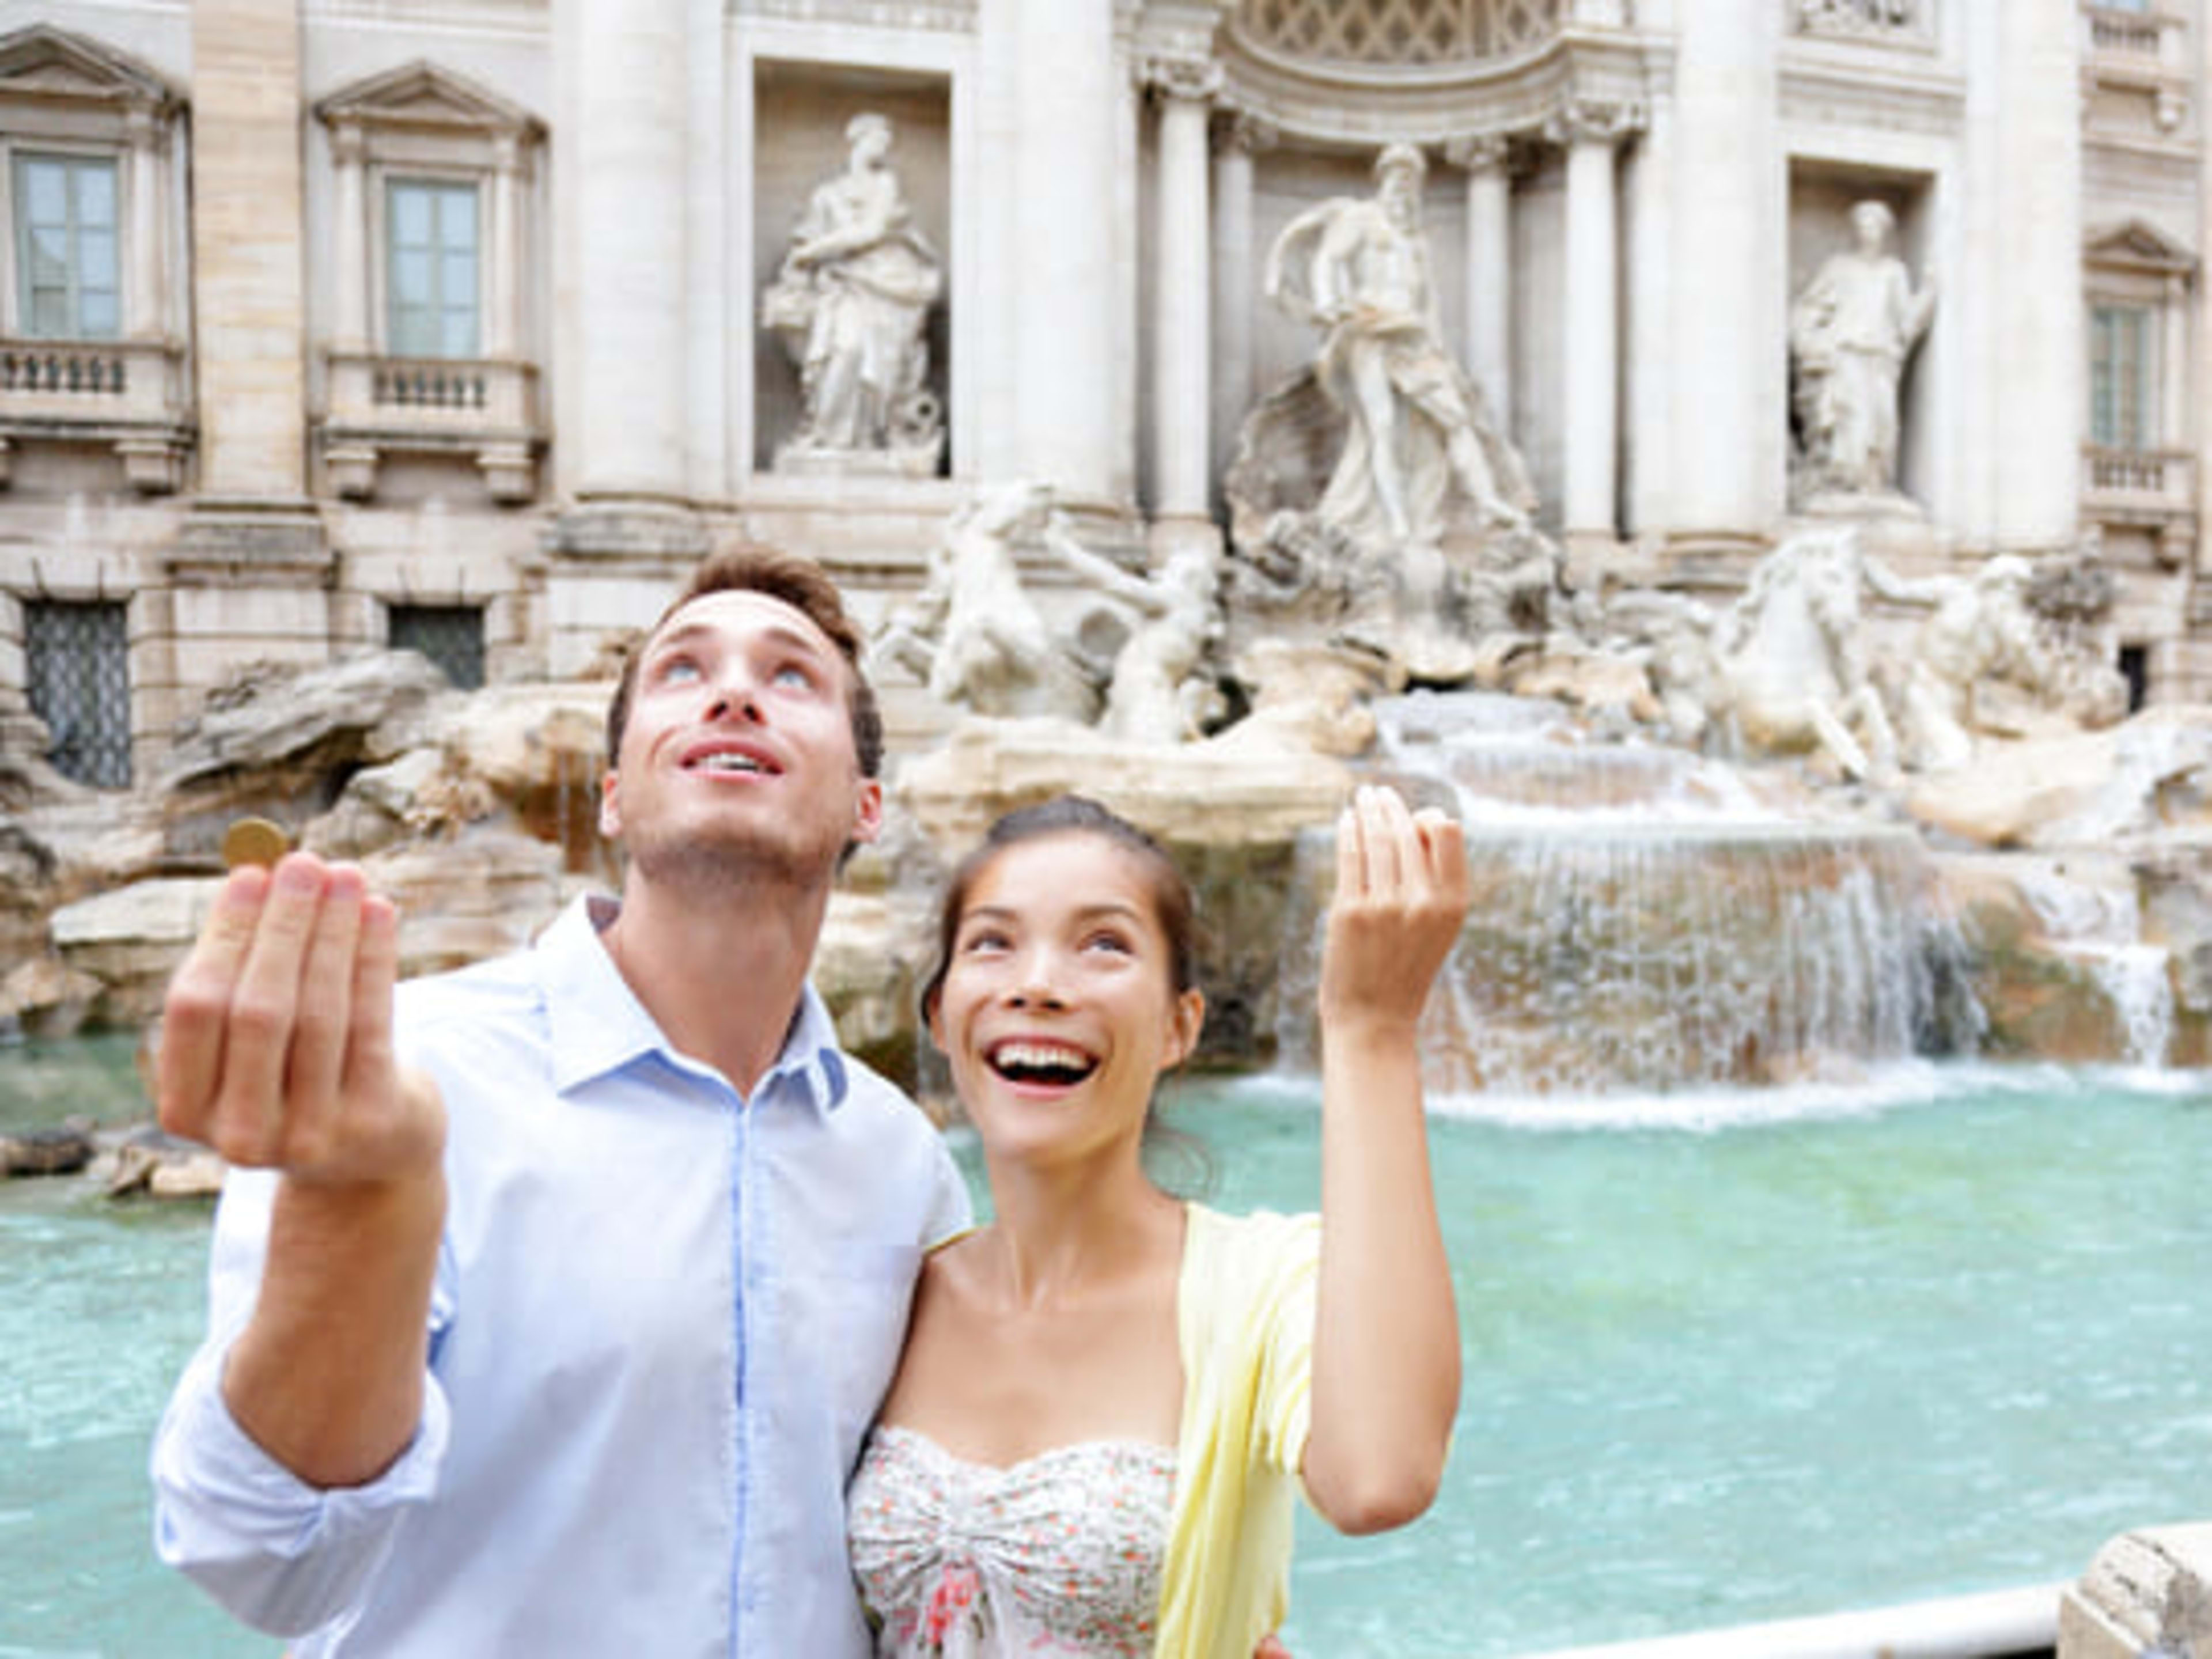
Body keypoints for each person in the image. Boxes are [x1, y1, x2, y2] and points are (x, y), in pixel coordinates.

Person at [148, 545, 971, 1656]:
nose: (732, 691)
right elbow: (267, 1563)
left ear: (867, 804)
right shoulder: (403, 1077)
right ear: (615, 798)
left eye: (791, 677)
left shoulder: (903, 1167)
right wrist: (358, 1204)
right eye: (684, 670)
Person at [849, 786, 1468, 1654]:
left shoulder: (1264, 1285)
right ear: (940, 1017)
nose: (1037, 985)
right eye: (993, 942)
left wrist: (1370, 1027)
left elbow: (1380, 1478)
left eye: (1104, 944)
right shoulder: (887, 1291)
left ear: (1181, 1026)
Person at [1267, 141, 1532, 551]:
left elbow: (1429, 304)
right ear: (1383, 181)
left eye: (1412, 180)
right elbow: (1328, 260)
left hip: (1413, 337)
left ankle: (1488, 501)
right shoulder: (1360, 218)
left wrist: (1438, 349)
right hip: (1368, 329)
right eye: (1397, 177)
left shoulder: (1416, 241)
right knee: (1382, 427)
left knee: (1455, 421)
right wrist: (1329, 303)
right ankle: (1397, 524)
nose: (1404, 187)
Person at [763, 111, 945, 458]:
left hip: (883, 283)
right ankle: (828, 434)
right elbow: (805, 240)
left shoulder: (885, 184)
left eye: (886, 143)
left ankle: (864, 438)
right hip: (840, 287)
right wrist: (804, 259)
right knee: (844, 351)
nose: (882, 148)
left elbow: (870, 232)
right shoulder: (827, 195)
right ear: (858, 140)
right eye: (878, 140)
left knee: (868, 358)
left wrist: (814, 252)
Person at [1788, 199, 1937, 498]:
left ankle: (1873, 483)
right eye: (1864, 224)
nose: (1869, 231)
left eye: (1876, 225)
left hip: (1880, 356)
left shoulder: (1893, 272)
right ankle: (1843, 483)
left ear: (1885, 231)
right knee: (1849, 421)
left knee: (1881, 423)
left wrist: (1929, 293)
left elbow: (1906, 320)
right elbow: (1808, 310)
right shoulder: (1839, 268)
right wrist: (1811, 342)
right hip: (1845, 354)